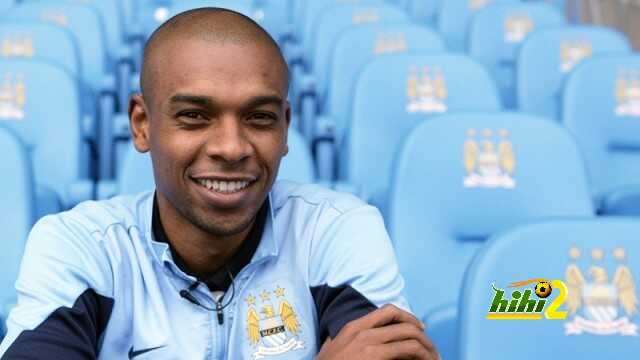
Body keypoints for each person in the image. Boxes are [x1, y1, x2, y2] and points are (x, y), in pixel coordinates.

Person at [0, 8, 437, 359]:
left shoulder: (339, 231)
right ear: (142, 124)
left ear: (285, 128)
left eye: (259, 117)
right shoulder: (81, 247)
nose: (231, 147)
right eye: (195, 116)